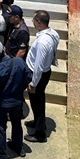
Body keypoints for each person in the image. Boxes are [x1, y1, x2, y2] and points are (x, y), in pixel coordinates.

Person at [0, 40, 32, 159]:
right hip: (17, 101)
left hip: (1, 103)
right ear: (4, 49)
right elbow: (29, 77)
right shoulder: (19, 61)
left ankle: (1, 156)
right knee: (17, 123)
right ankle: (18, 146)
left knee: (1, 128)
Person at [25, 10, 59, 143]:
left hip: (37, 75)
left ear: (39, 22)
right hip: (44, 72)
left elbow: (38, 66)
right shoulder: (53, 33)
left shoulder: (42, 42)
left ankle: (40, 134)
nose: (33, 23)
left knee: (37, 103)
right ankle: (37, 122)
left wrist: (33, 83)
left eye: (34, 20)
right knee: (38, 101)